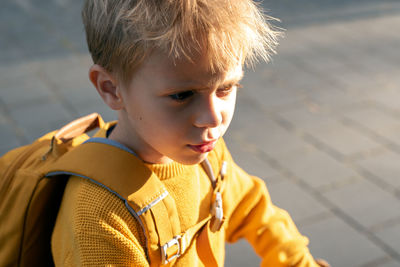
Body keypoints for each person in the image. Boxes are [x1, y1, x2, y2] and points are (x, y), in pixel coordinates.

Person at [51, 0, 329, 266]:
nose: (212, 118)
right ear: (111, 88)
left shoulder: (207, 154)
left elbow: (252, 207)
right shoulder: (98, 218)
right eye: (182, 95)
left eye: (226, 88)